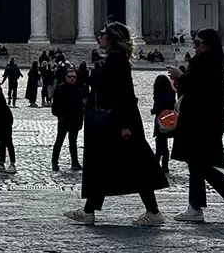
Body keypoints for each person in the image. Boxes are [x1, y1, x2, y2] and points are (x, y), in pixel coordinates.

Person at [65, 21, 168, 226]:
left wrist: (125, 126)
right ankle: (89, 211)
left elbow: (124, 95)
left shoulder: (117, 62)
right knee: (106, 165)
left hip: (120, 121)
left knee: (132, 165)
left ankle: (153, 212)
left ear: (112, 38)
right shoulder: (114, 59)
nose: (99, 36)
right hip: (118, 120)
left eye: (103, 33)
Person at [168, 27, 224, 224]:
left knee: (197, 162)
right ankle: (196, 207)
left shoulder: (204, 62)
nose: (194, 47)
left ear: (208, 45)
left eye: (197, 43)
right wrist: (181, 80)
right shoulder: (212, 62)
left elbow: (197, 88)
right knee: (196, 163)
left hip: (200, 120)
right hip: (206, 119)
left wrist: (181, 76)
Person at [52, 66, 85, 171]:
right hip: (64, 121)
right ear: (65, 77)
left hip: (74, 121)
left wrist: (80, 122)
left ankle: (74, 162)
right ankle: (54, 162)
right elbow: (55, 107)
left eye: (74, 77)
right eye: (70, 77)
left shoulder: (77, 90)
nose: (72, 78)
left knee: (73, 143)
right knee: (59, 141)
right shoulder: (59, 89)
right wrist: (61, 116)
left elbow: (80, 108)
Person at [150, 73, 177, 172]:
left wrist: (153, 111)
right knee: (164, 145)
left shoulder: (158, 94)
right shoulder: (172, 93)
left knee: (159, 143)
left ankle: (156, 164)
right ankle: (165, 165)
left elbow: (157, 108)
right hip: (169, 121)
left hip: (160, 121)